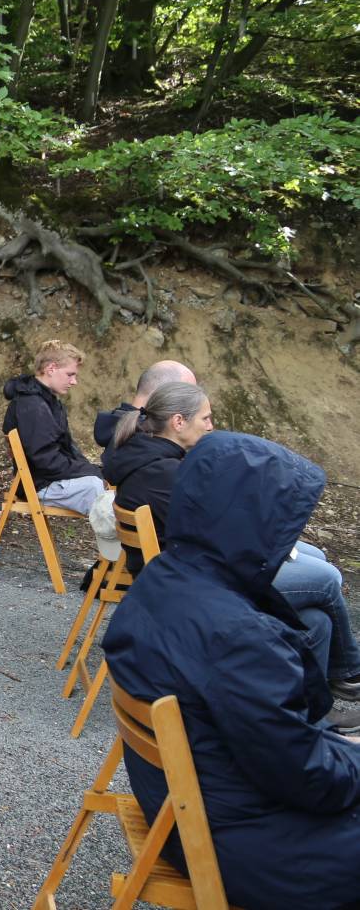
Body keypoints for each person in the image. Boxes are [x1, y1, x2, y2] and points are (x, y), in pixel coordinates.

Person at [102, 432, 360, 909]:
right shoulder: (237, 636)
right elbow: (309, 780)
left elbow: (276, 744)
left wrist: (336, 748)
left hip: (186, 809)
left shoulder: (162, 579)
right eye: (287, 526)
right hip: (242, 843)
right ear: (255, 524)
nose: (292, 541)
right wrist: (350, 758)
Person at [104, 382, 360, 699]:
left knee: (316, 615)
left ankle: (316, 700)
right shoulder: (164, 472)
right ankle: (348, 675)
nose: (211, 426)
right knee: (327, 578)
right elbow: (220, 536)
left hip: (184, 572)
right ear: (178, 422)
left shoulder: (147, 455)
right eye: (206, 418)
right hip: (195, 587)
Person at [0, 340, 104, 515]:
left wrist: (93, 469)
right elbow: (45, 460)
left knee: (105, 486)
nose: (74, 381)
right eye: (70, 374)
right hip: (39, 484)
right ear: (51, 369)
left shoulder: (46, 401)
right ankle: (124, 540)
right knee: (96, 489)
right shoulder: (32, 405)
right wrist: (93, 472)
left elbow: (65, 450)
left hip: (46, 479)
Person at [93, 359, 197, 448]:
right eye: (186, 396)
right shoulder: (146, 441)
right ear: (163, 394)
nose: (192, 405)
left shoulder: (120, 428)